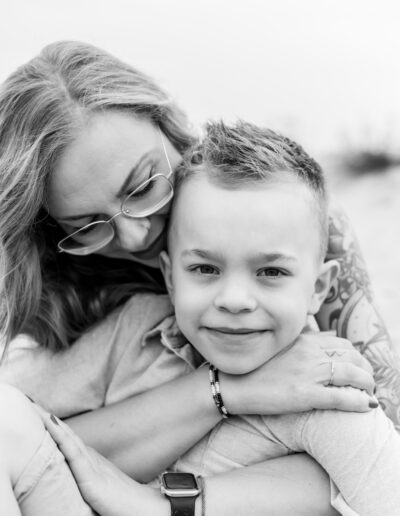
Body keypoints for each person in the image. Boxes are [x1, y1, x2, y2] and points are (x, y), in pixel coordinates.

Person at [0, 40, 398, 512]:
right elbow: (30, 443)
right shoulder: (64, 290)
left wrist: (171, 503)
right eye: (86, 226)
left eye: (144, 185)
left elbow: (380, 428)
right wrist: (225, 390)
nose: (133, 237)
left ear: (169, 128)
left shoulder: (289, 221)